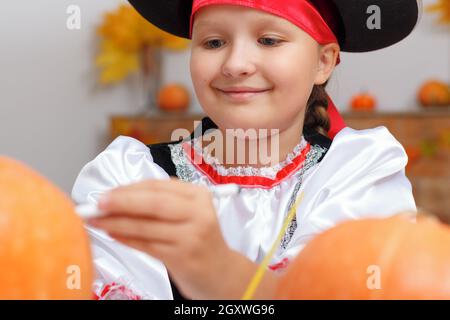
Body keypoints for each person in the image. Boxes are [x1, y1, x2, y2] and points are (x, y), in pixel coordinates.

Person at [72, 0, 421, 300]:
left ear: (323, 62)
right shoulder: (128, 176)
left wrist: (220, 270)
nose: (235, 63)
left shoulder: (359, 174)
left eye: (268, 40)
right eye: (213, 42)